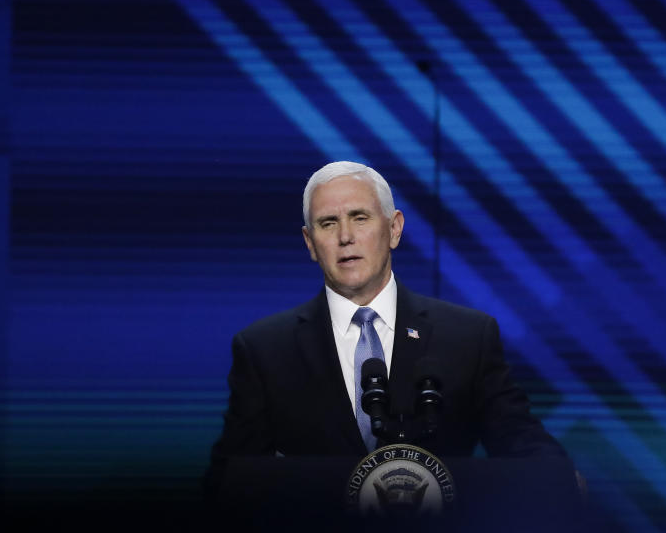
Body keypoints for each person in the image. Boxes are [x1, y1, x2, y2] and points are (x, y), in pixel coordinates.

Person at [205, 161, 567, 490]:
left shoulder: (468, 337)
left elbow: (520, 439)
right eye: (328, 223)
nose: (345, 236)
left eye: (360, 217)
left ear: (394, 229)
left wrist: (560, 478)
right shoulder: (265, 350)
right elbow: (230, 477)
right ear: (310, 243)